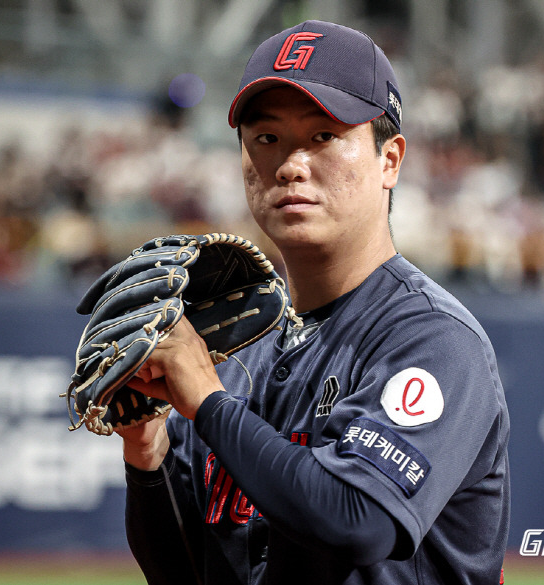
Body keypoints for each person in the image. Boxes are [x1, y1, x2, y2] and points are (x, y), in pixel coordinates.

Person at [120, 20, 509, 585]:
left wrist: (205, 398)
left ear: (390, 160)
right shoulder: (237, 350)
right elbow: (188, 574)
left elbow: (360, 521)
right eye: (266, 138)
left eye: (324, 136)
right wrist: (146, 456)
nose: (290, 164)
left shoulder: (432, 339)